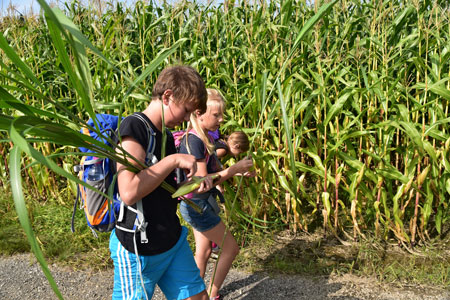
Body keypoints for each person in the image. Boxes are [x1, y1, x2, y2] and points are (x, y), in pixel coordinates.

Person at [110, 65, 213, 300]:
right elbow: (128, 191)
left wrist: (190, 185)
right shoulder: (134, 128)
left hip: (171, 240)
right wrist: (173, 160)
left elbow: (159, 188)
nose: (187, 119)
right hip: (139, 249)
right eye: (186, 110)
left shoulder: (165, 134)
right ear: (168, 96)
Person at [178, 89, 254, 300]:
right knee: (231, 248)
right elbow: (203, 183)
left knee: (203, 252)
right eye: (216, 115)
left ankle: (195, 295)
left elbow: (212, 172)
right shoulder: (193, 141)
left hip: (196, 204)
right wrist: (233, 170)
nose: (221, 119)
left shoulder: (204, 136)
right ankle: (212, 293)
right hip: (197, 205)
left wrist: (238, 170)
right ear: (199, 113)